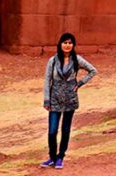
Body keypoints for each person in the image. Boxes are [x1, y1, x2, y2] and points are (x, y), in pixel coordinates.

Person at [41, 32, 97, 169]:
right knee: (52, 131)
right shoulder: (53, 61)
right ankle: (52, 157)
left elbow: (93, 71)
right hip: (54, 98)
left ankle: (60, 157)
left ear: (73, 45)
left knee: (65, 129)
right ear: (60, 44)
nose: (67, 45)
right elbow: (47, 80)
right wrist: (46, 100)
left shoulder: (77, 60)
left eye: (70, 43)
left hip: (70, 99)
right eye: (65, 42)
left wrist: (79, 84)